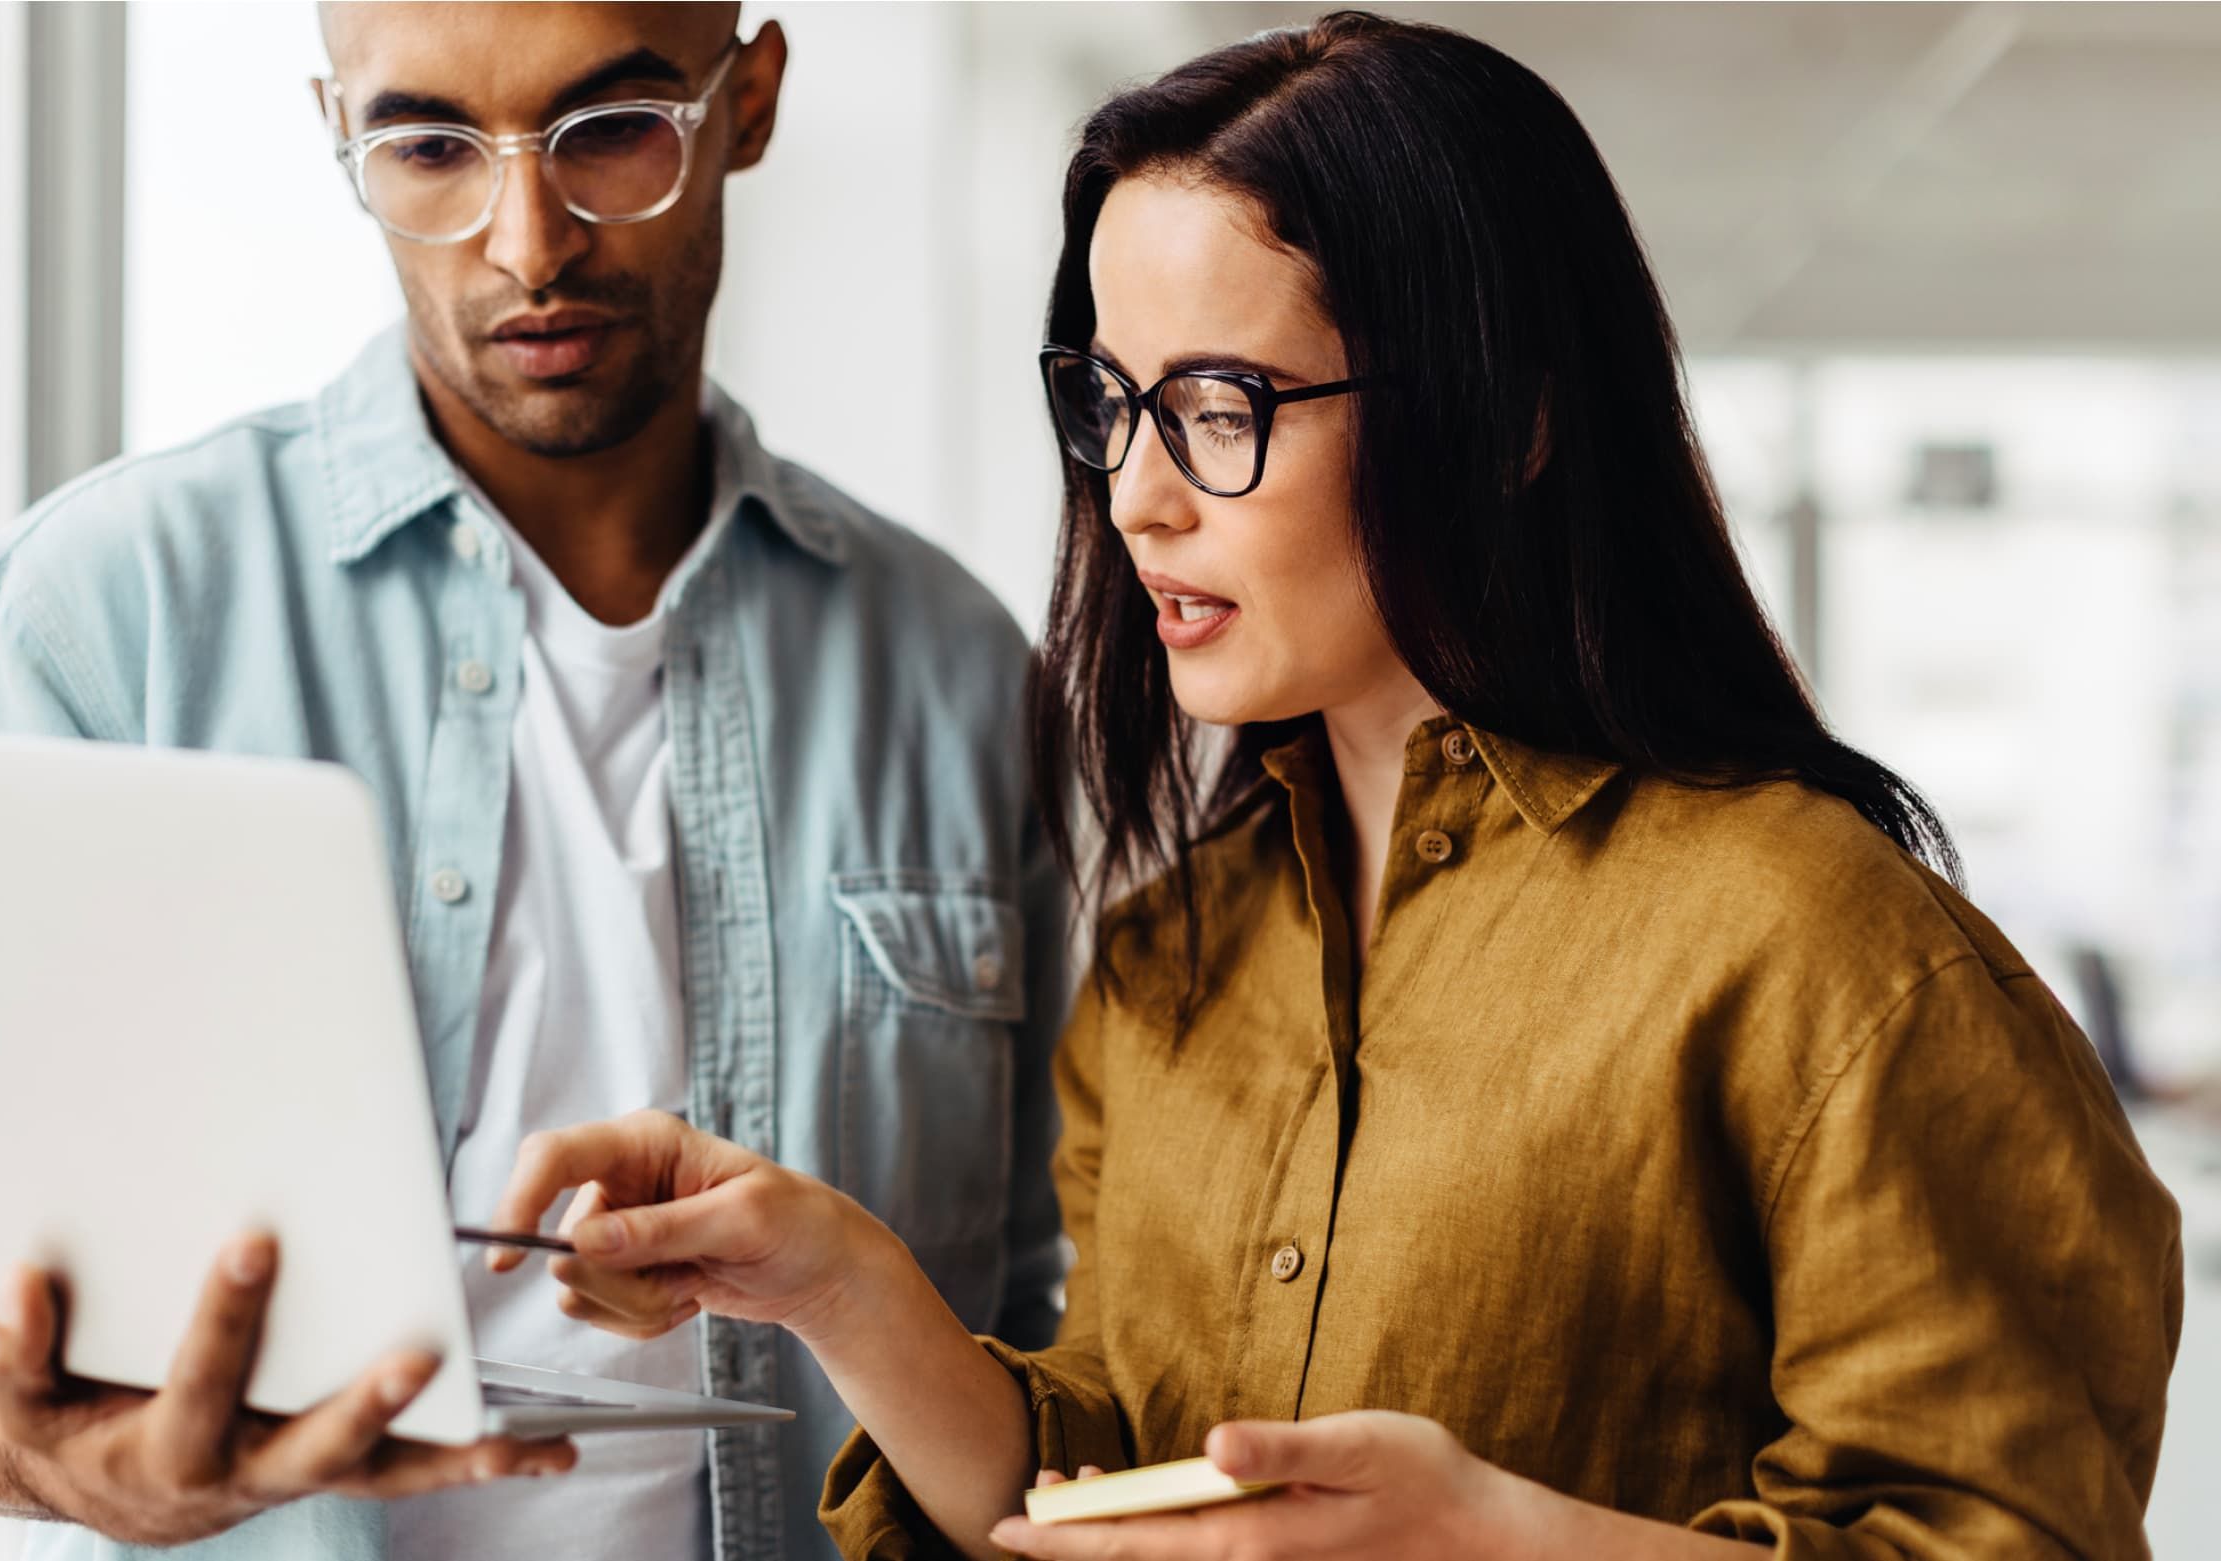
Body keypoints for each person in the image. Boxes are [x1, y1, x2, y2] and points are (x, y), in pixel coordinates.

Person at [488, 12, 2186, 1560]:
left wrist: (1497, 1541)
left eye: (1222, 404)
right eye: (1111, 404)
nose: (1141, 496)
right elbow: (1104, 1506)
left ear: (1507, 413)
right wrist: (841, 1284)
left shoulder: (1819, 944)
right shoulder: (1167, 955)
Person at [0, 6, 1068, 1559]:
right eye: (427, 149)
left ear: (747, 103)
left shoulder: (951, 666)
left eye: (611, 131)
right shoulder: (83, 617)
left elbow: (1036, 1319)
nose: (526, 241)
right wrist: (61, 1458)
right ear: (338, 135)